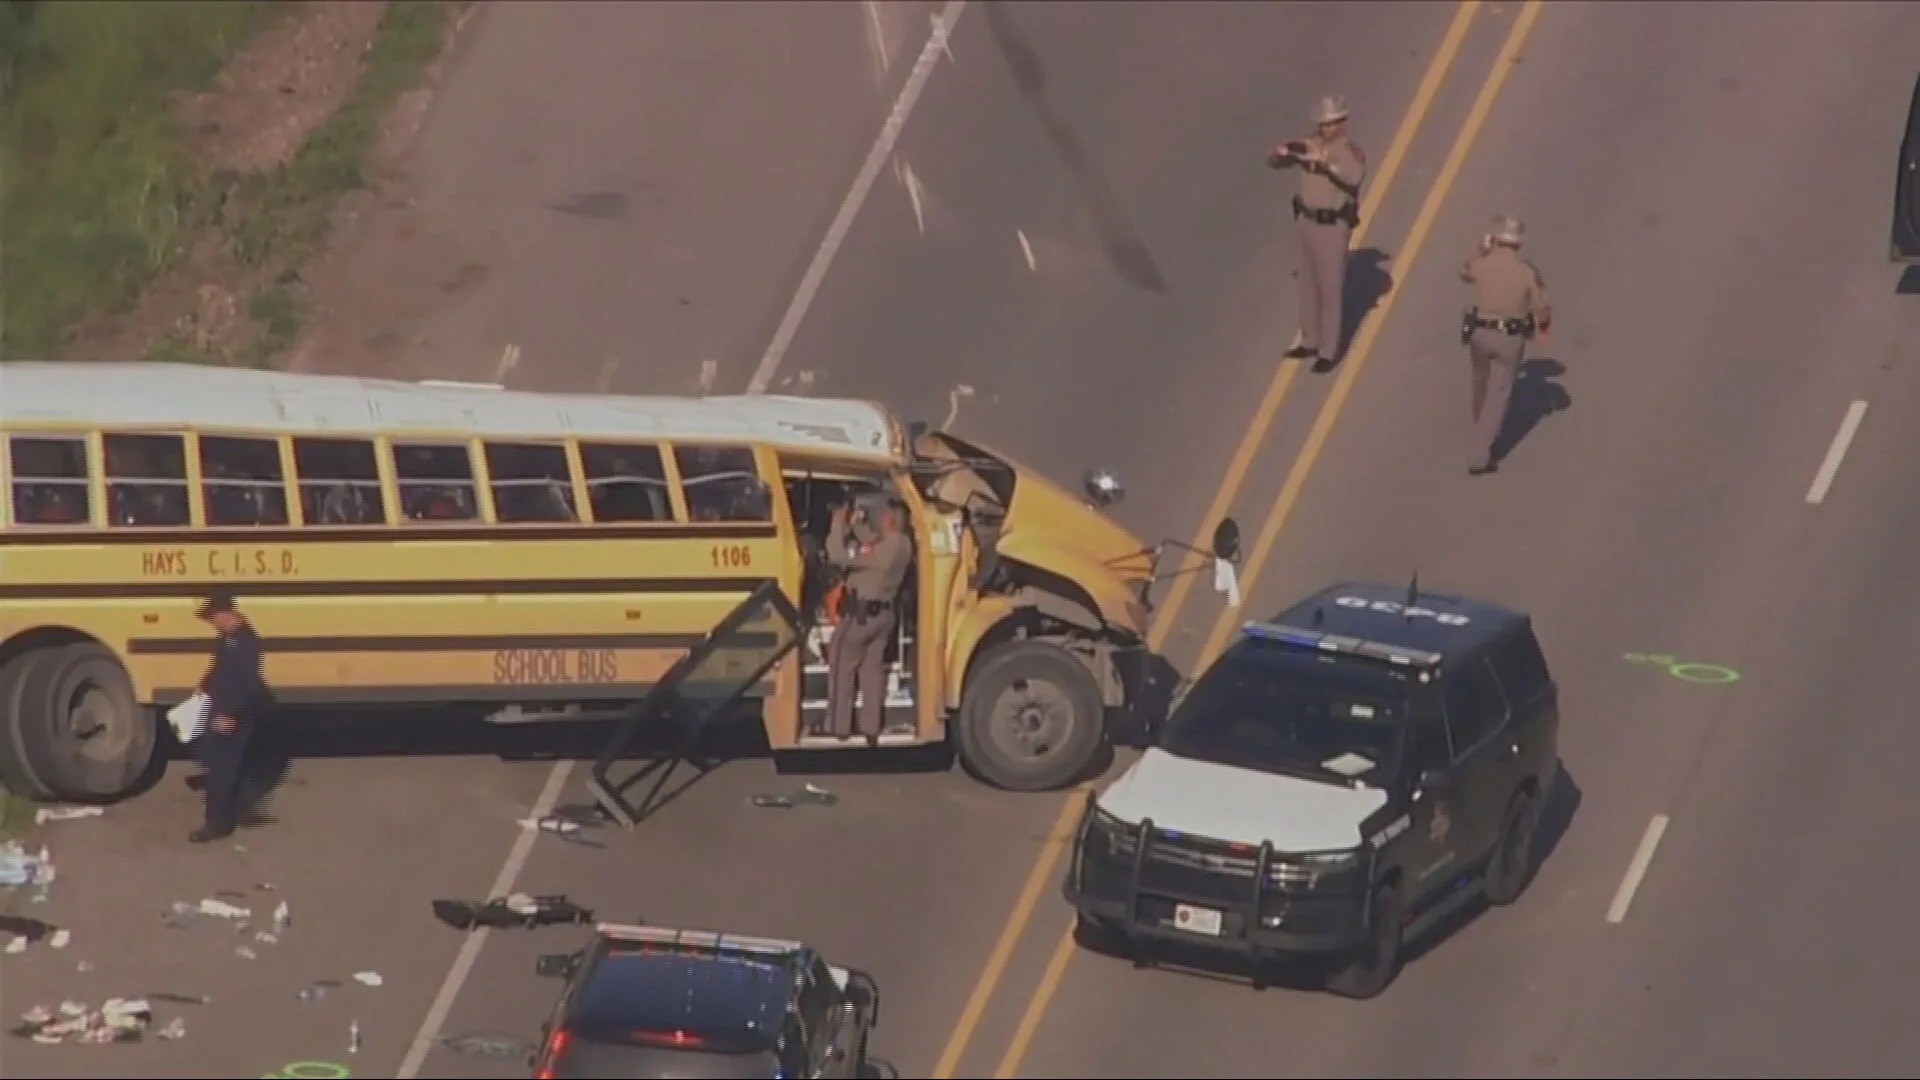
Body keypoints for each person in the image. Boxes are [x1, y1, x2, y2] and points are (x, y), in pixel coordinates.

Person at [1271, 95, 1368, 373]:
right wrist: (1281, 154)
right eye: (1322, 123)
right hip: (1306, 220)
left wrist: (1323, 163)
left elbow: (1353, 177)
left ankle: (1328, 350)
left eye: (1331, 123)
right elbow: (1280, 161)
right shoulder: (1310, 144)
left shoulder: (1350, 151)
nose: (1325, 128)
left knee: (1329, 287)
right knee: (1306, 283)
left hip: (1331, 226)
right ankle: (1310, 339)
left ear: (1342, 123)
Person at [1458, 214, 1552, 475]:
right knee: (1498, 394)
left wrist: (1480, 251)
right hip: (1508, 337)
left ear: (1496, 238)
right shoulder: (1525, 272)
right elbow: (1540, 311)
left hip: (1479, 332)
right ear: (1518, 244)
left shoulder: (1482, 264)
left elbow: (1464, 272)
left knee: (1480, 381)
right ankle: (1480, 454)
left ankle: (1481, 431)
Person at [824, 499, 913, 744]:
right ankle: (871, 727)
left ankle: (839, 726)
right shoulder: (903, 544)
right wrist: (858, 525)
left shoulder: (884, 548)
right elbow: (869, 545)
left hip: (860, 618)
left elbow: (837, 555)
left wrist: (837, 523)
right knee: (871, 672)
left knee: (841, 664)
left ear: (888, 519)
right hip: (884, 616)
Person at [190, 589, 268, 843]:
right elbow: (219, 667)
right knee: (219, 761)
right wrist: (204, 683)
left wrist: (230, 714)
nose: (211, 622)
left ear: (227, 613)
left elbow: (247, 684)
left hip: (232, 713)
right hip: (218, 707)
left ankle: (217, 823)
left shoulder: (246, 642)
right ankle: (237, 809)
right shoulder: (227, 638)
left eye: (213, 617)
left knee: (221, 768)